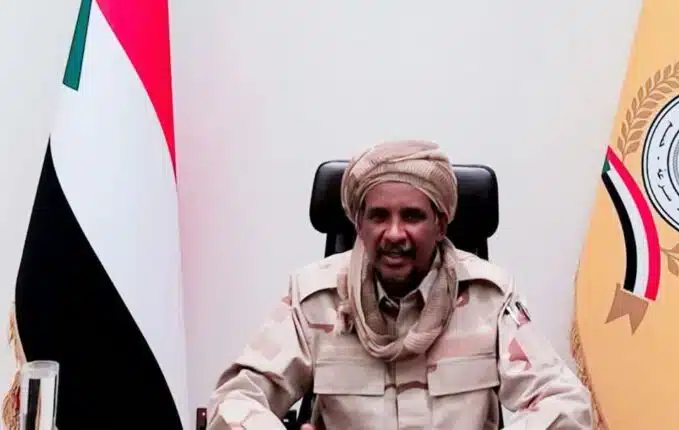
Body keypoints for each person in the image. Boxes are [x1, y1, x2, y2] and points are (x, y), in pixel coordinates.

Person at [206, 140, 593, 429]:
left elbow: (566, 404)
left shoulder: (487, 296)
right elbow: (235, 399)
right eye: (378, 216)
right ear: (359, 225)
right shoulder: (314, 298)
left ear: (440, 224)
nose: (394, 233)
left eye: (412, 216)